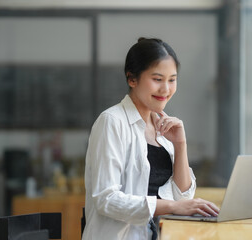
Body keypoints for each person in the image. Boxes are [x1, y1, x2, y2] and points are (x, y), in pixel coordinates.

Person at [82, 37, 219, 240]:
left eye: (172, 80)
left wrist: (180, 145)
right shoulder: (112, 121)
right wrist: (172, 206)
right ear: (132, 79)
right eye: (157, 79)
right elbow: (106, 199)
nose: (166, 89)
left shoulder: (163, 129)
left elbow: (183, 197)